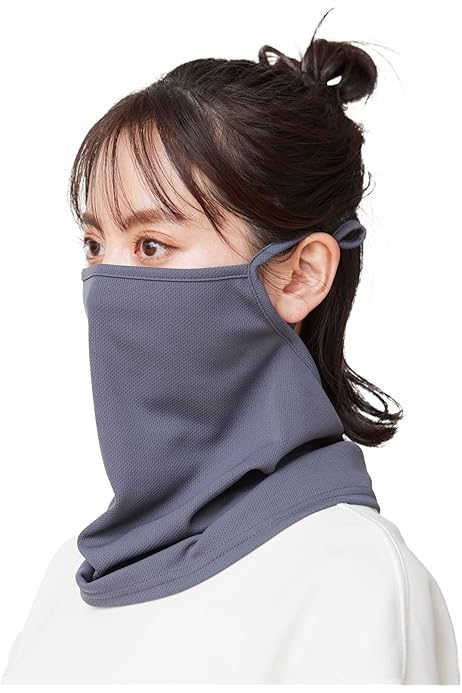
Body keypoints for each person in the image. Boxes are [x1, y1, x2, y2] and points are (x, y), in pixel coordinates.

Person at [1, 11, 460, 685]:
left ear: (301, 275)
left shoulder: (349, 580)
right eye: (96, 245)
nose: (107, 284)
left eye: (151, 244)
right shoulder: (70, 575)